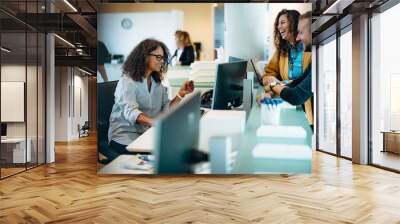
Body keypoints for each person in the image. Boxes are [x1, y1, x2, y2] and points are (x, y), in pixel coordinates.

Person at [108, 38, 194, 155]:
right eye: (158, 57)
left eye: (163, 58)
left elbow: (165, 108)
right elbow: (131, 112)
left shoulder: (156, 81)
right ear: (144, 56)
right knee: (167, 153)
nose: (162, 61)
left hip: (146, 133)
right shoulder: (127, 81)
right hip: (124, 137)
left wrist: (180, 94)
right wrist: (156, 123)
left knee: (180, 146)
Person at [262, 9, 312, 124]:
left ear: (294, 23)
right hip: (289, 104)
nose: (279, 27)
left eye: (283, 22)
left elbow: (297, 89)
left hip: (305, 106)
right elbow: (269, 74)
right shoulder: (282, 52)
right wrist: (270, 84)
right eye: (278, 24)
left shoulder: (310, 50)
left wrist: (274, 85)